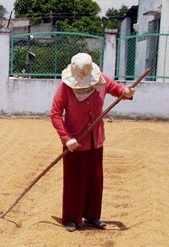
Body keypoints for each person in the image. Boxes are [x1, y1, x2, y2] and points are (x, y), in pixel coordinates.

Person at [50, 53, 135, 232]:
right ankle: (72, 218)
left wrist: (127, 93)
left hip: (96, 139)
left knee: (95, 179)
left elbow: (120, 92)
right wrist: (67, 138)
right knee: (75, 180)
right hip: (75, 142)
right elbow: (55, 113)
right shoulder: (66, 87)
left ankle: (92, 216)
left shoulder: (101, 81)